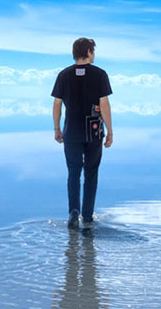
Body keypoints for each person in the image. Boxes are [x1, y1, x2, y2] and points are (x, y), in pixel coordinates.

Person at [51, 37, 113, 229]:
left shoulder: (64, 75)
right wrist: (110, 131)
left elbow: (57, 104)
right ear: (88, 52)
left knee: (73, 173)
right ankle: (87, 215)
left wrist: (57, 128)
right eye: (93, 51)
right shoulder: (100, 74)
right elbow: (104, 104)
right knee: (91, 173)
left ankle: (73, 212)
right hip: (93, 132)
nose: (94, 54)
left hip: (71, 132)